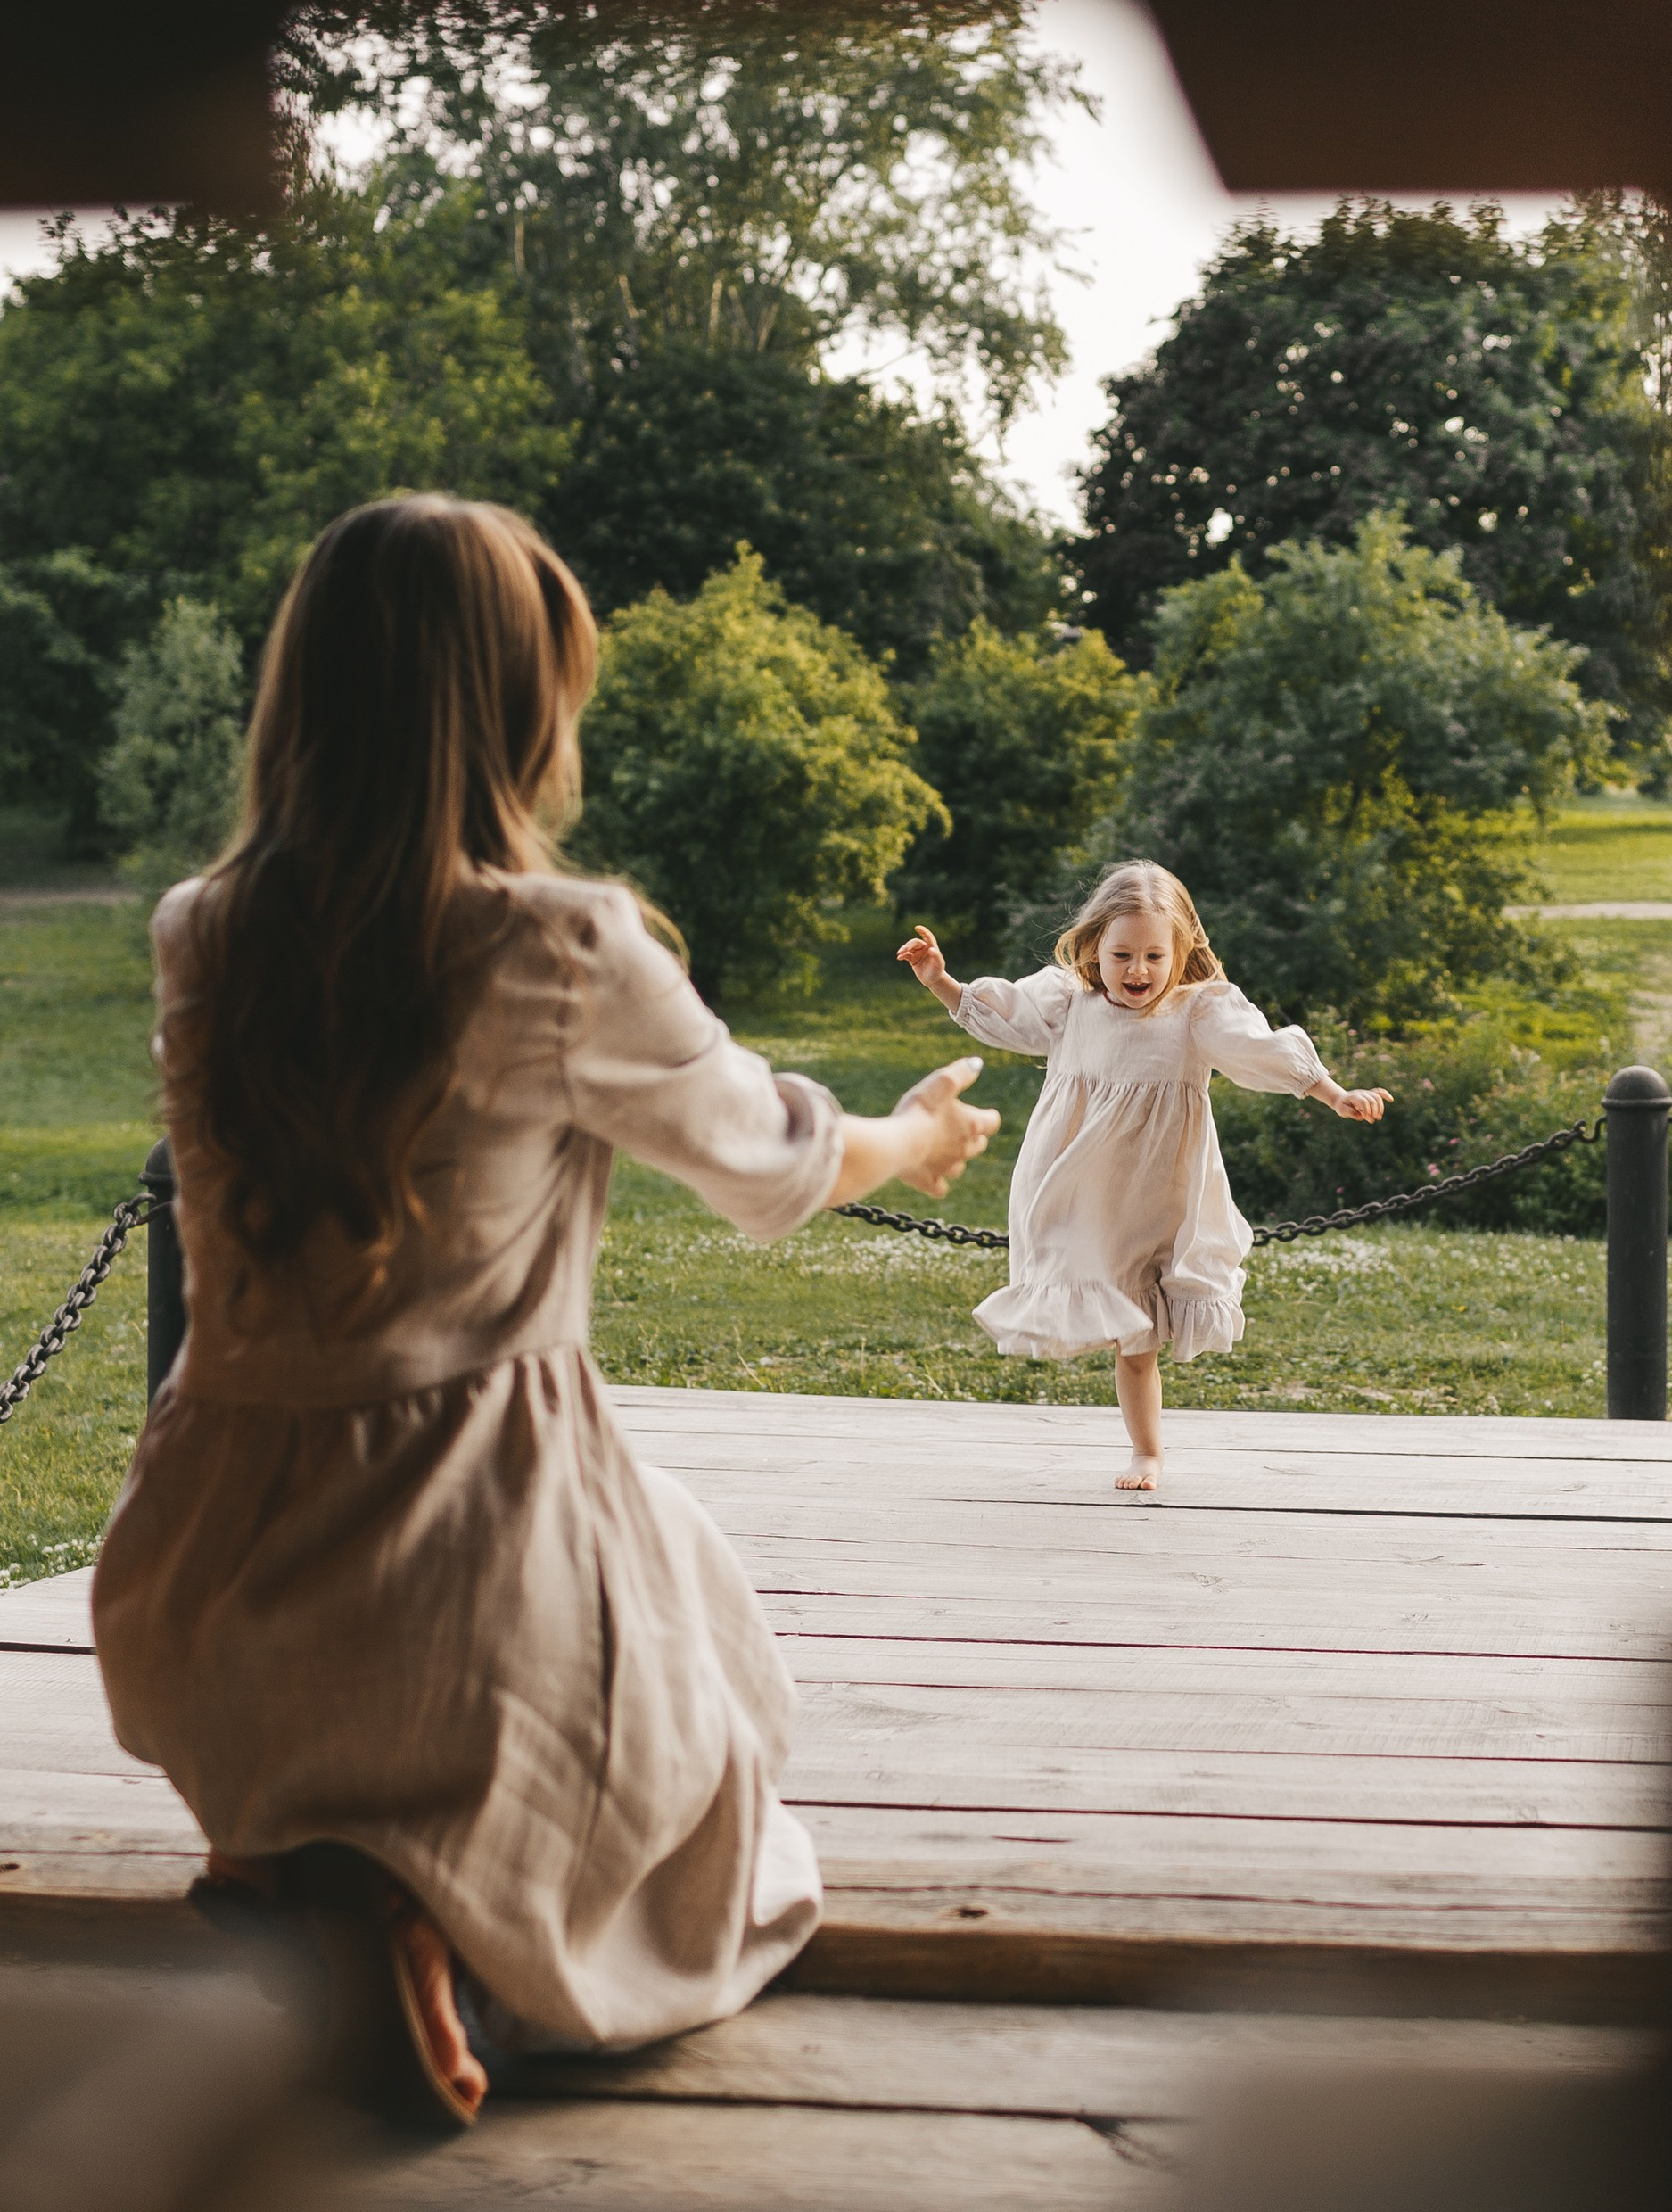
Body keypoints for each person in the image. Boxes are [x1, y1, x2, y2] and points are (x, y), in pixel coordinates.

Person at [93, 494, 997, 2128]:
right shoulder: (556, 948)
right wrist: (918, 1136)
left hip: (202, 1589)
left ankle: (291, 1858)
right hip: (462, 1578)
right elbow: (769, 1163)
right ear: (520, 708)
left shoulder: (200, 936)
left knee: (629, 1582)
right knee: (712, 1755)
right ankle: (446, 1943)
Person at [896, 859, 1387, 1492]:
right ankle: (1140, 1441)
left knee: (1139, 1334)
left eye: (1155, 955)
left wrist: (1333, 1092)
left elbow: (1258, 1049)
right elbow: (1003, 1016)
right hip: (1081, 1188)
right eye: (1122, 953)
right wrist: (941, 979)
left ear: (1182, 951)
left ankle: (1146, 1452)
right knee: (1106, 1303)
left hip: (1159, 1194)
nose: (1137, 970)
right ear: (1093, 945)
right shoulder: (1069, 1002)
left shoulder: (1196, 1012)